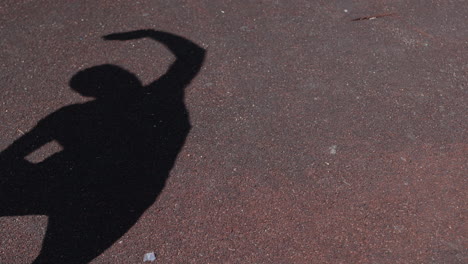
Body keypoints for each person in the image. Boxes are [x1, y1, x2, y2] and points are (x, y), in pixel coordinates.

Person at [0, 30, 205, 264]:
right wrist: (149, 33)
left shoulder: (72, 115)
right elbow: (192, 56)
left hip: (86, 189)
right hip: (120, 195)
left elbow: (19, 149)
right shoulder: (161, 100)